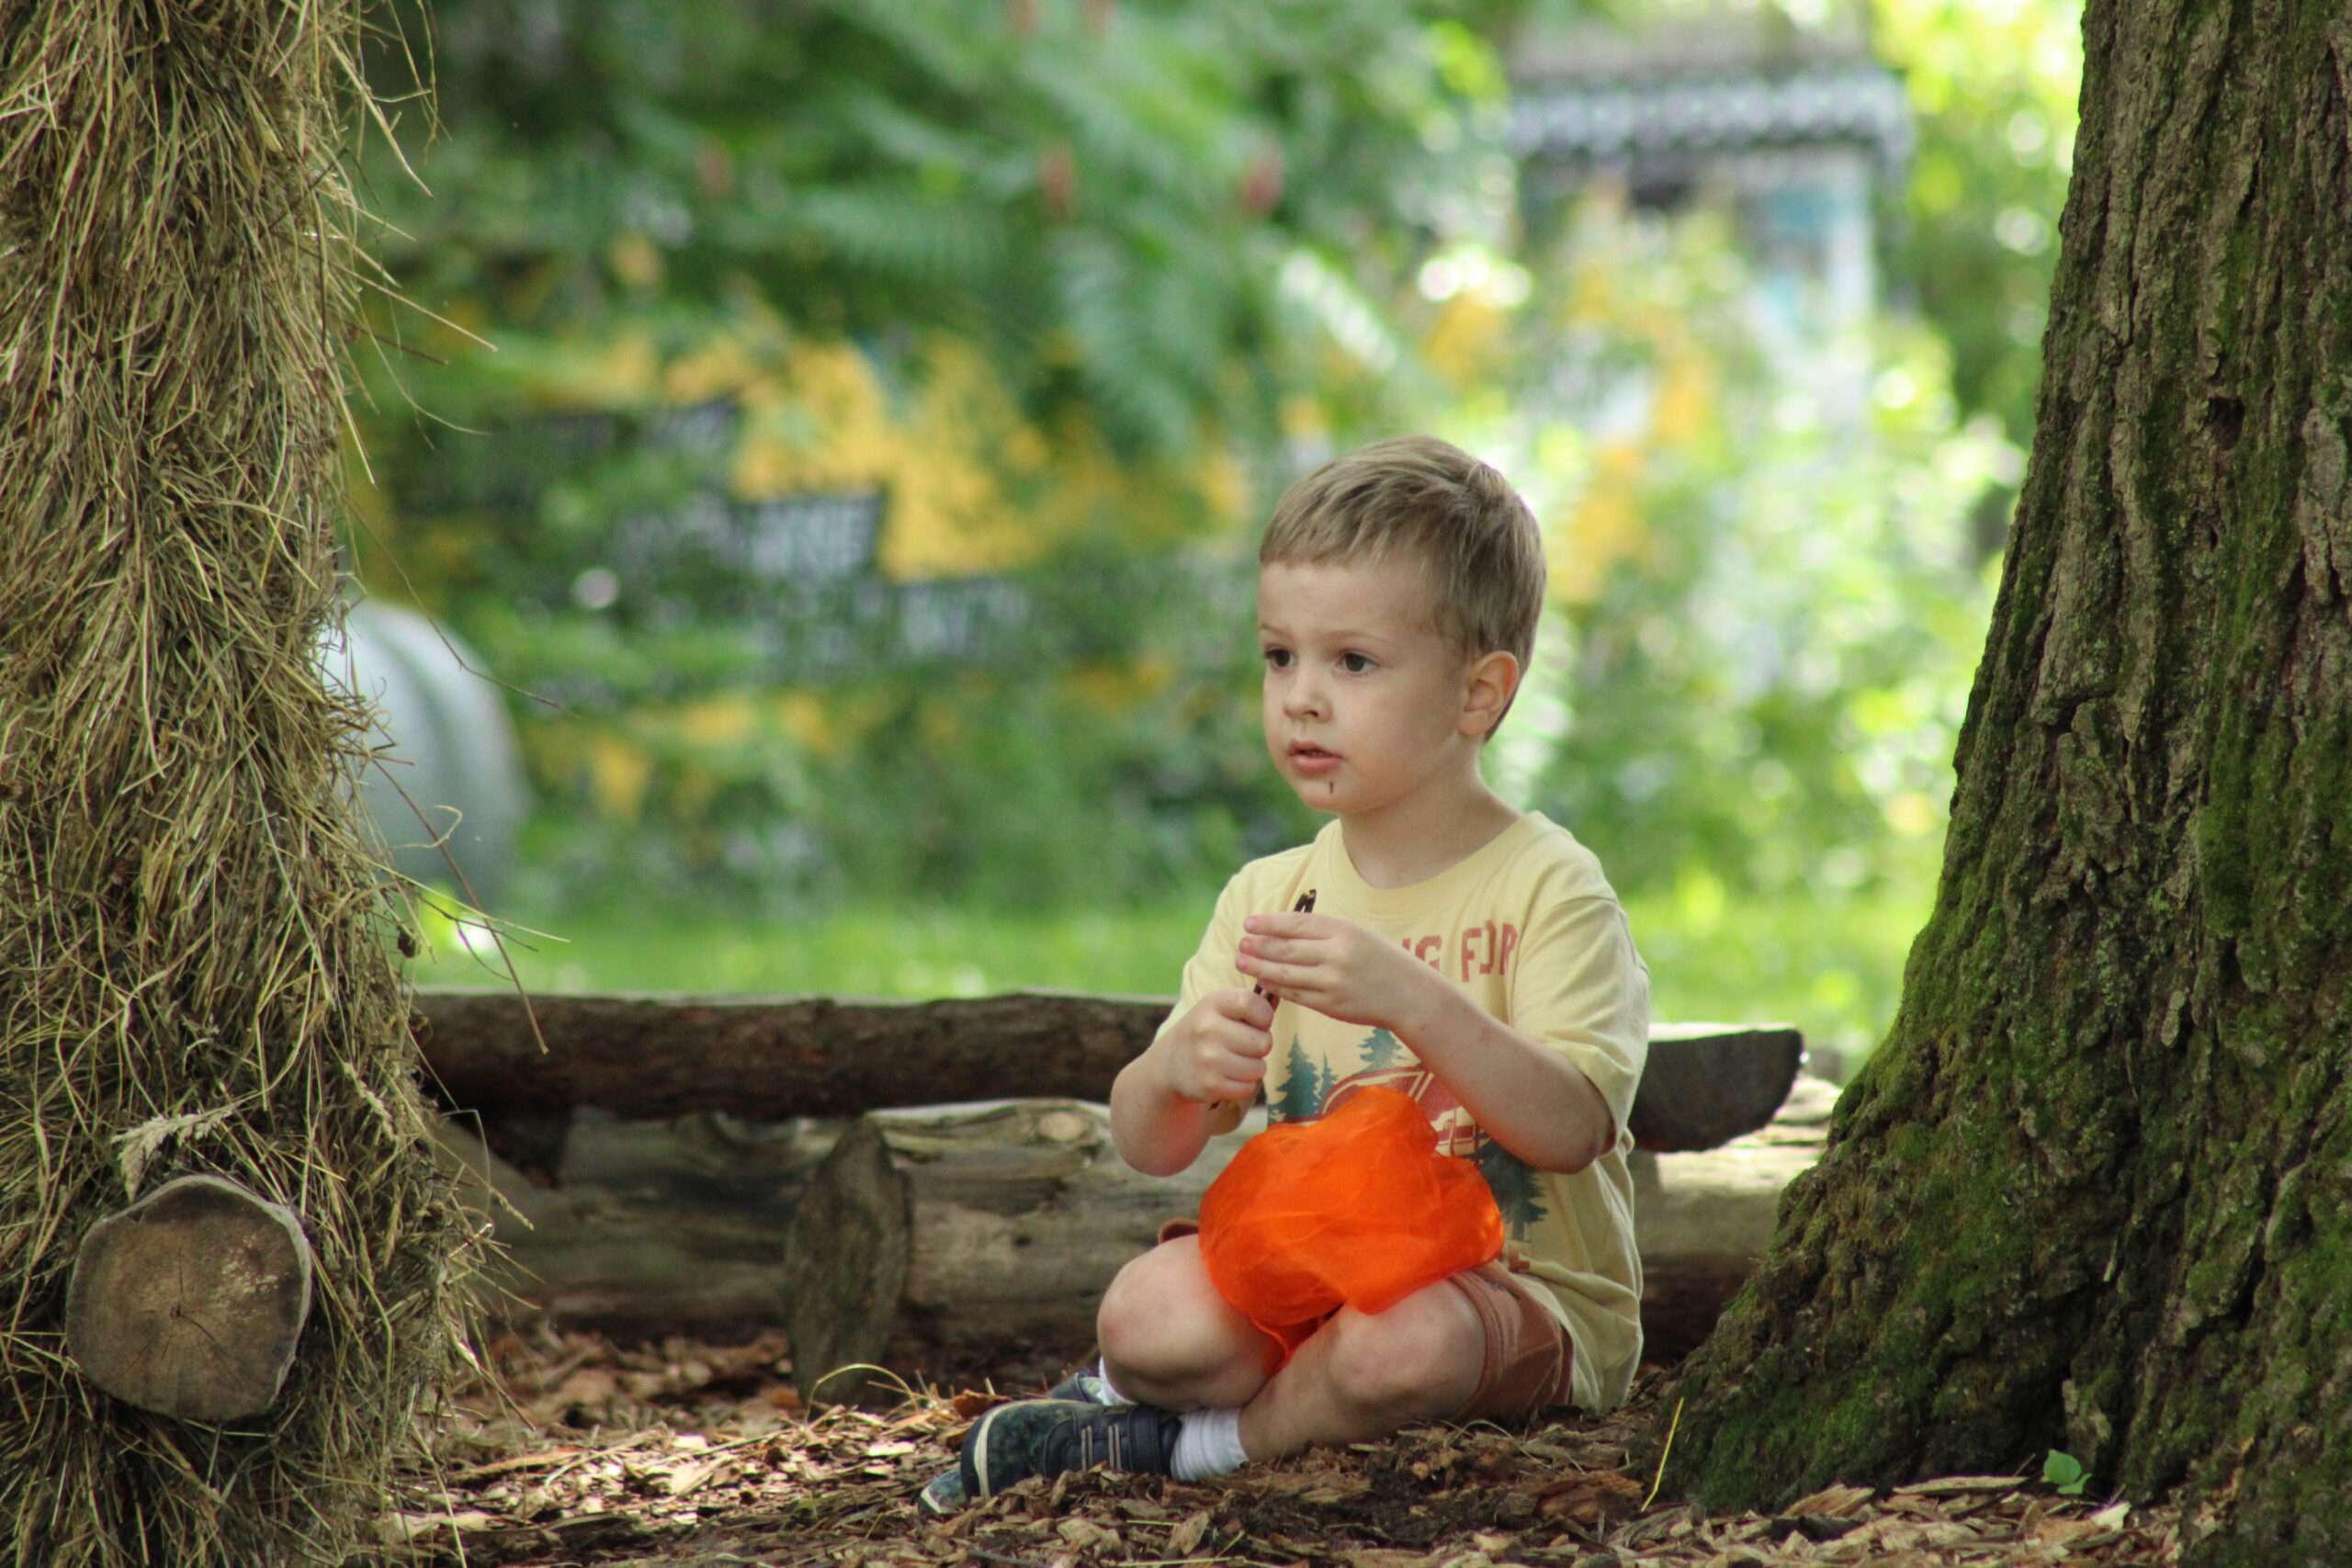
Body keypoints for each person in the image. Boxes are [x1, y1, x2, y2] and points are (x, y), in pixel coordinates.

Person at [919, 434, 1650, 1516]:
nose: (1301, 698)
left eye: (1351, 663)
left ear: (1477, 694)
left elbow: (1573, 1125)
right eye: (1278, 657)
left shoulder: (1550, 885)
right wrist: (1176, 1069)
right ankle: (1134, 1397)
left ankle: (1193, 1448)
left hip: (1508, 1291)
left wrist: (1409, 996)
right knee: (1144, 1315)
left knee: (1395, 1348)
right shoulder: (1273, 894)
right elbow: (1152, 1142)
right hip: (1317, 1265)